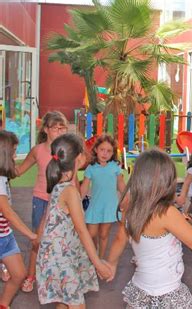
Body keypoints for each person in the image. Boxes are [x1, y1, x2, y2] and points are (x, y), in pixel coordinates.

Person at [106, 149, 192, 308]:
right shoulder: (165, 212)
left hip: (141, 292)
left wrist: (111, 264)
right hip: (167, 295)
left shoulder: (131, 208)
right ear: (166, 181)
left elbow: (119, 239)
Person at [36, 133, 111, 307]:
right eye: (85, 152)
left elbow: (47, 216)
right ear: (79, 158)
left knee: (64, 302)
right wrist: (98, 263)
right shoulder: (69, 192)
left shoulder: (59, 185)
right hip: (60, 259)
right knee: (77, 304)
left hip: (59, 255)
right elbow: (82, 231)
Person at [15, 111, 68, 293]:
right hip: (41, 200)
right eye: (55, 128)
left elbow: (74, 177)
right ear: (46, 129)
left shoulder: (67, 150)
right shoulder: (38, 150)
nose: (59, 131)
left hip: (62, 201)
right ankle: (31, 276)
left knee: (60, 241)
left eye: (63, 128)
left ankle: (56, 277)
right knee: (37, 241)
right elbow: (19, 170)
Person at [0, 131, 37, 308]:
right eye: (13, 151)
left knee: (19, 274)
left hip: (5, 236)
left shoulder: (4, 177)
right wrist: (31, 235)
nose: (15, 155)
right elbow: (8, 212)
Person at [80, 134, 126, 259]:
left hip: (109, 206)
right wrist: (78, 200)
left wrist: (127, 198)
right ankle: (93, 254)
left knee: (104, 235)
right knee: (91, 234)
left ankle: (100, 259)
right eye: (102, 149)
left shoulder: (115, 167)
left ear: (112, 153)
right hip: (95, 206)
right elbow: (84, 186)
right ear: (96, 149)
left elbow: (121, 184)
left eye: (109, 151)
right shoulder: (91, 168)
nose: (105, 153)